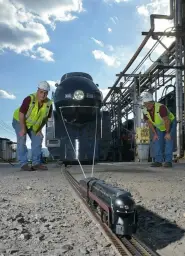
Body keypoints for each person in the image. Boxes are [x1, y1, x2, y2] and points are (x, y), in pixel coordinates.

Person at [12, 81, 52, 171]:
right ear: (37, 91)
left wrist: (39, 130)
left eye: (45, 93)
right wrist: (23, 129)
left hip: (32, 125)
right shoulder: (29, 99)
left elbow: (45, 119)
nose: (43, 95)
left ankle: (36, 163)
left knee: (38, 139)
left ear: (47, 93)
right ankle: (24, 164)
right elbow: (21, 114)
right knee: (22, 138)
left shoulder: (49, 104)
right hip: (19, 120)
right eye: (41, 92)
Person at [141, 92, 176, 168]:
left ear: (152, 102)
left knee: (168, 140)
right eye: (145, 103)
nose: (147, 105)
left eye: (149, 103)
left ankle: (168, 161)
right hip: (160, 127)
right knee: (157, 141)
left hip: (170, 123)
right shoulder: (144, 111)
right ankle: (158, 161)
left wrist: (167, 133)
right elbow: (149, 123)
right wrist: (155, 134)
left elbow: (167, 121)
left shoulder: (161, 107)